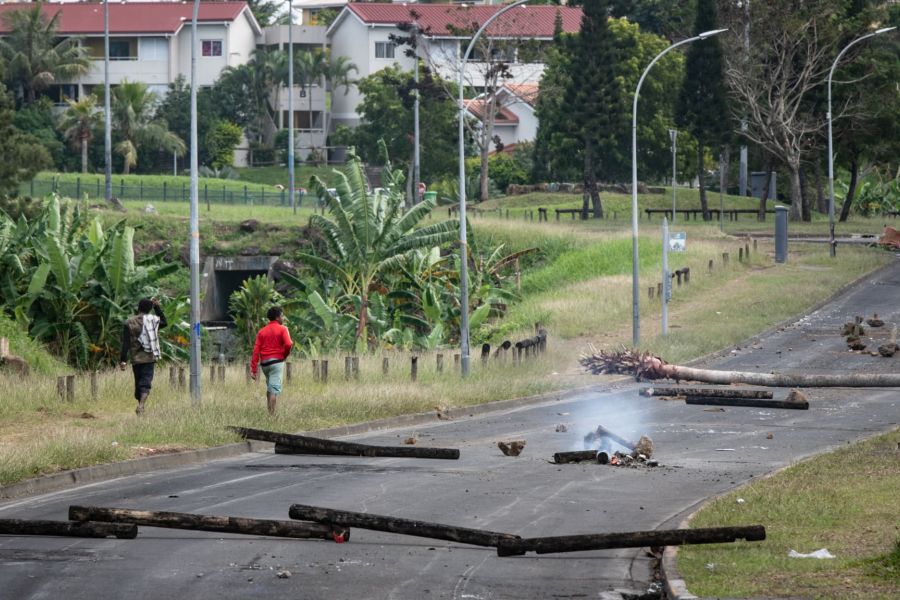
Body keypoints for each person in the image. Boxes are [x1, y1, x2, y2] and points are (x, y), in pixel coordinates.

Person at [119, 298, 167, 415]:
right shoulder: (152, 322)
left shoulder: (129, 322)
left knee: (139, 384)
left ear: (138, 308)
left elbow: (126, 343)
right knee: (145, 384)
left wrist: (123, 360)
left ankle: (141, 405)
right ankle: (141, 405)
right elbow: (165, 322)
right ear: (149, 310)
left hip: (136, 359)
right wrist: (157, 307)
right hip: (149, 358)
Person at [250, 306, 293, 416]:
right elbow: (288, 344)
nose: (283, 318)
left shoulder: (261, 331)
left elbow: (256, 350)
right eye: (282, 316)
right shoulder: (283, 329)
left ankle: (270, 412)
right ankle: (272, 416)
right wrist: (284, 355)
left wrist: (253, 369)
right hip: (276, 363)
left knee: (270, 387)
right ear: (278, 317)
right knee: (274, 389)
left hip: (265, 364)